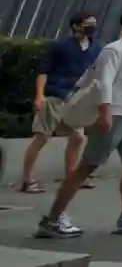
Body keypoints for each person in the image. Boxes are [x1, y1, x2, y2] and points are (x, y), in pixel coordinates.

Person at [36, 3, 122, 238]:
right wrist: (105, 111)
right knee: (88, 165)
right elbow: (104, 81)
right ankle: (53, 218)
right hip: (115, 113)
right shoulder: (115, 49)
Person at [20, 12, 100, 194]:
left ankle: (71, 177)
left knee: (78, 137)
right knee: (42, 137)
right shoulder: (60, 46)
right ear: (76, 26)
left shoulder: (96, 46)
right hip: (55, 95)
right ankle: (27, 179)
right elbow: (43, 71)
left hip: (77, 98)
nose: (92, 26)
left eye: (94, 23)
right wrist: (40, 96)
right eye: (88, 23)